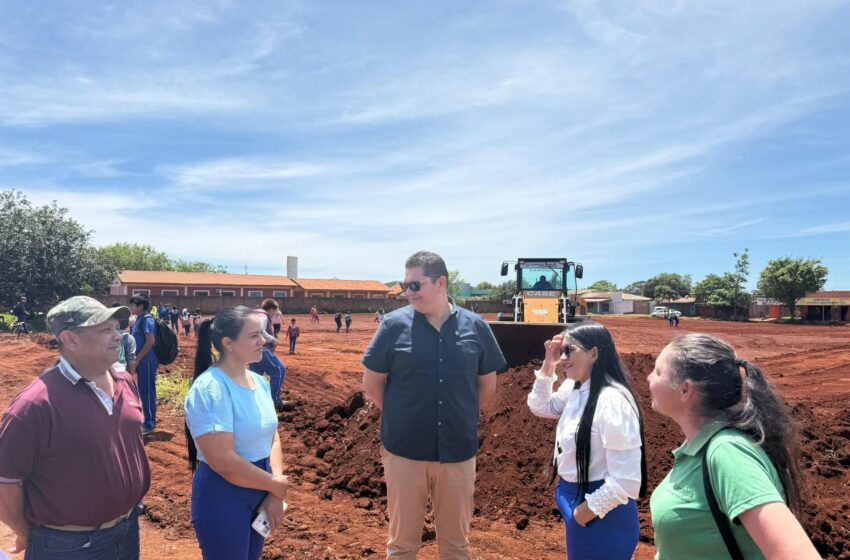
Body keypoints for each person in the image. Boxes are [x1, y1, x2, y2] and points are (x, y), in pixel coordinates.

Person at [362, 250, 506, 559]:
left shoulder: (477, 326)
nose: (408, 293)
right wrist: (405, 415)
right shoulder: (392, 326)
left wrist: (457, 413)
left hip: (457, 452)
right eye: (405, 286)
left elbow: (487, 385)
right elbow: (371, 384)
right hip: (404, 452)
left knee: (456, 546)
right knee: (401, 546)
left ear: (441, 282)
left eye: (415, 285)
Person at [0, 296, 150, 559]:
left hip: (127, 531)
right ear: (70, 340)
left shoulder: (125, 381)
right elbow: (6, 481)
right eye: (105, 330)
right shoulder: (35, 405)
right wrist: (25, 531)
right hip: (67, 546)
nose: (117, 336)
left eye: (116, 327)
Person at [648, 334, 820, 559]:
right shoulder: (699, 447)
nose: (649, 377)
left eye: (658, 371)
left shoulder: (728, 453)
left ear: (685, 390)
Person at [527, 322, 646, 560]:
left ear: (594, 353)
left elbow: (626, 481)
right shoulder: (575, 386)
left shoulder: (612, 400)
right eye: (563, 351)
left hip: (601, 515)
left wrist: (582, 514)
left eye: (570, 350)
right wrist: (549, 362)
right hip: (580, 503)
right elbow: (541, 406)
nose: (564, 358)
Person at [184, 306, 288, 560]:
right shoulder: (211, 388)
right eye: (254, 335)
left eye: (262, 333)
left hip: (261, 487)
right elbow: (223, 461)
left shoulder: (260, 382)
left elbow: (272, 436)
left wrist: (274, 489)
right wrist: (275, 485)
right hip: (224, 495)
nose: (264, 340)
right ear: (228, 344)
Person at [128, 293, 159, 434]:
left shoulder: (147, 320)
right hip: (142, 360)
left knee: (147, 391)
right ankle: (148, 418)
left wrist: (138, 358)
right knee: (144, 390)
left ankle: (149, 423)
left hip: (147, 361)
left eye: (133, 305)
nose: (131, 307)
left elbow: (150, 341)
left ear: (141, 306)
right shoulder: (139, 320)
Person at [249, 347, 287, 412]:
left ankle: (255, 401)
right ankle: (273, 400)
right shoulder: (269, 340)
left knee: (255, 377)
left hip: (250, 352)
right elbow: (273, 341)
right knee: (279, 370)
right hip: (261, 350)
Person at [112, 302, 137, 375]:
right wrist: (131, 378)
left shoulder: (104, 336)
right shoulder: (128, 338)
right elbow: (131, 359)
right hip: (123, 376)